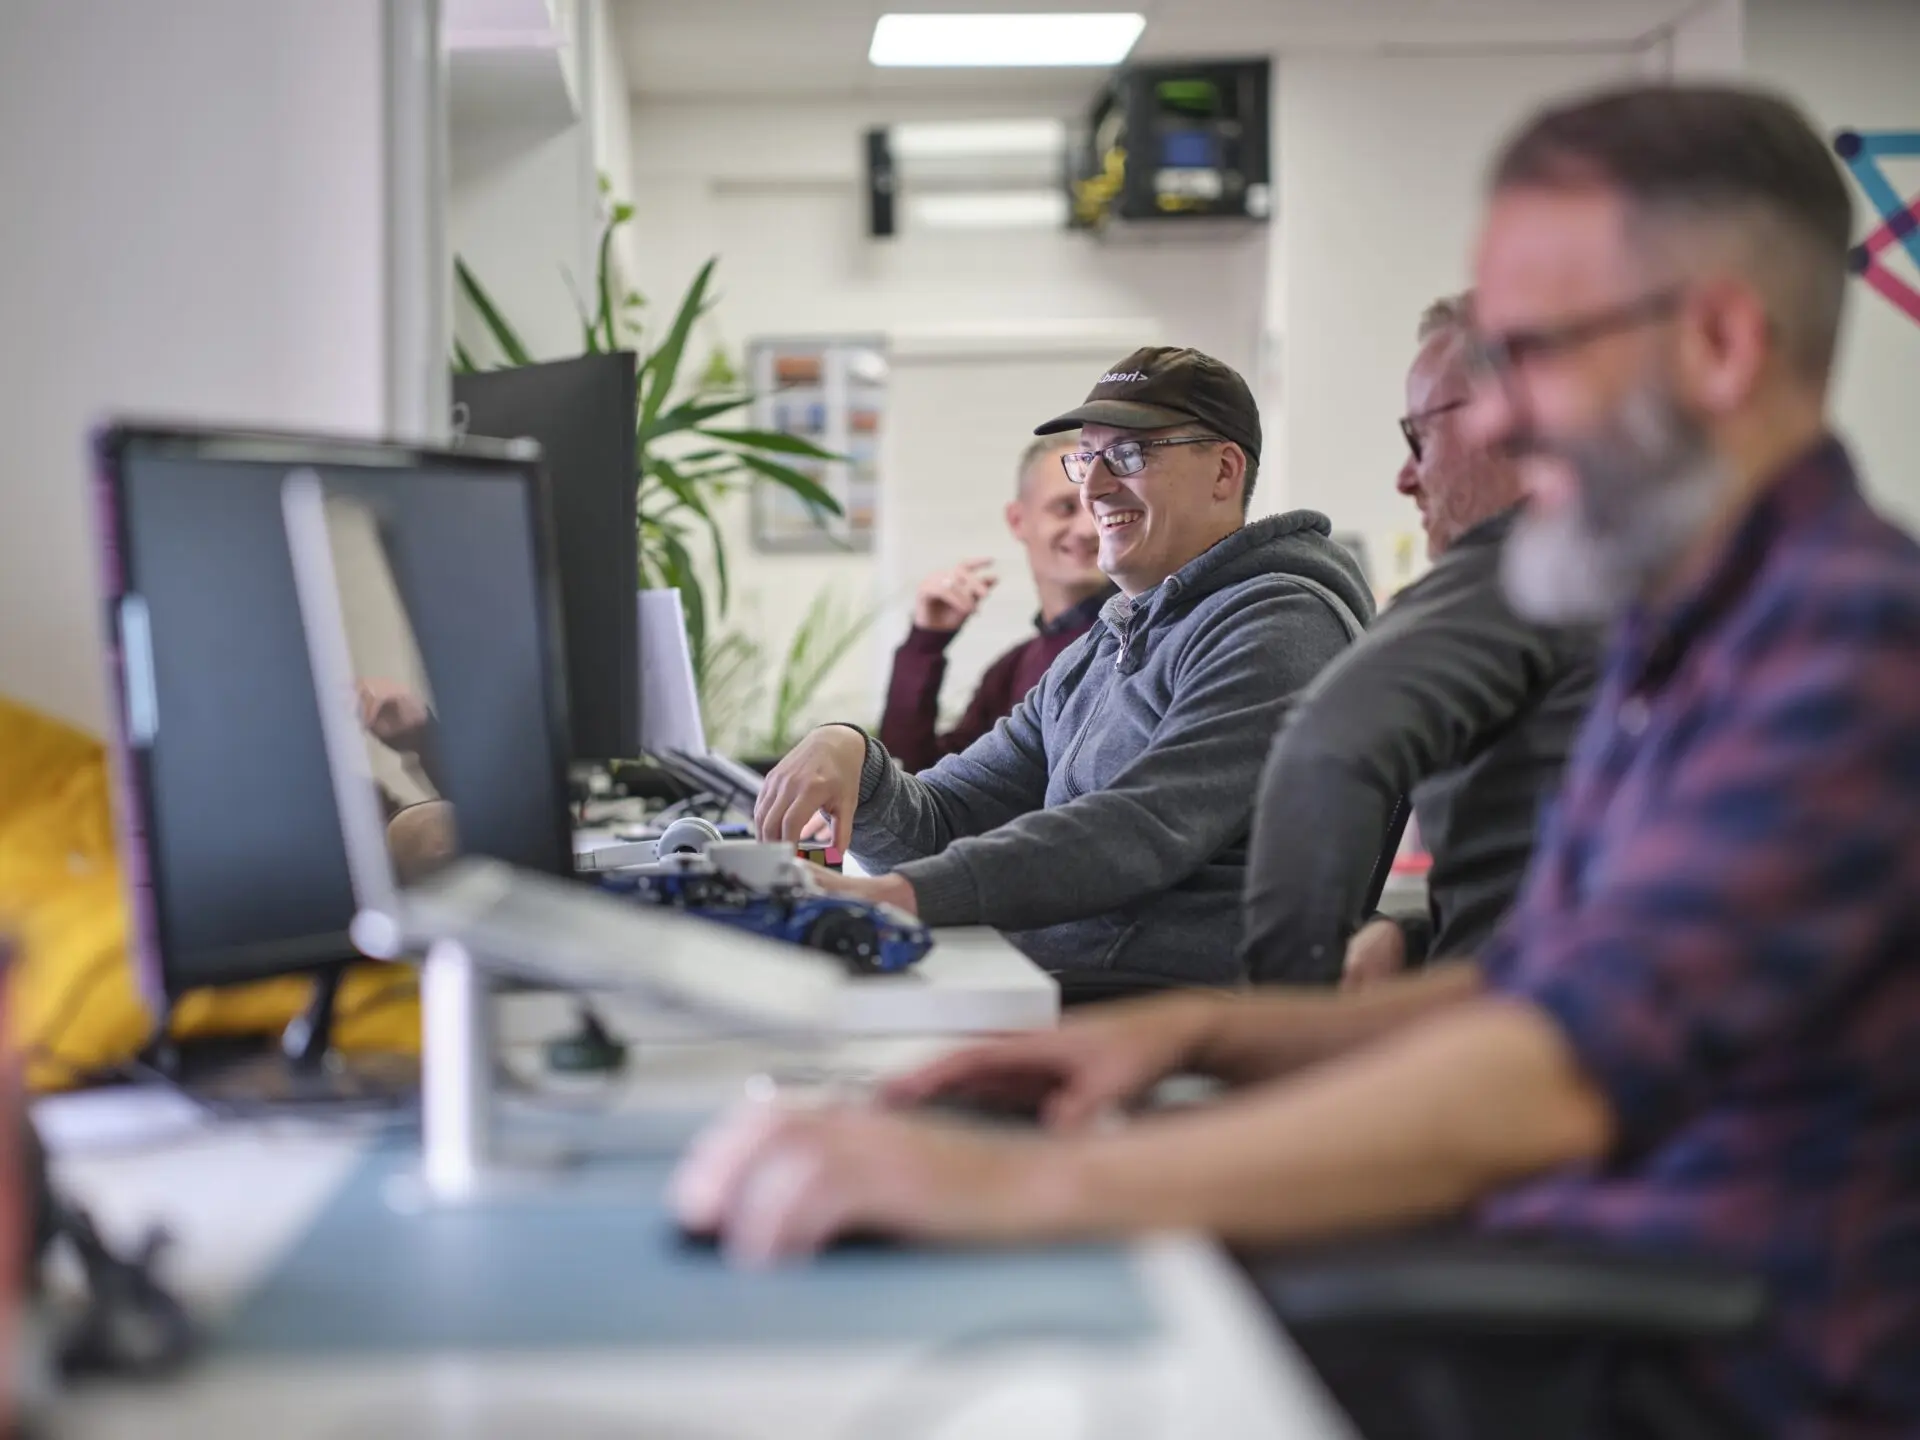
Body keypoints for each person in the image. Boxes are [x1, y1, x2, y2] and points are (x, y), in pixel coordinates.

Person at [679, 84, 1920, 1439]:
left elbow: (1548, 1075)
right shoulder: (1686, 636)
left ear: (1724, 345)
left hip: (1695, 1360)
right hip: (1562, 1266)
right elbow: (1520, 996)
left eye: (1535, 358)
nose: (1489, 429)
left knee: (1009, 1333)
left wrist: (1022, 1189)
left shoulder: (1848, 652)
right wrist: (1203, 1032)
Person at [755, 347, 1374, 984]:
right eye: (1089, 457)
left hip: (1171, 1024)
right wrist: (856, 763)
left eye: (1130, 455)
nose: (1094, 487)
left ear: (1223, 471)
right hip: (1055, 994)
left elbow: (1142, 829)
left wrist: (898, 896)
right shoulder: (1099, 651)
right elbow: (947, 820)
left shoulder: (1280, 625)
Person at [1240, 294, 1599, 986]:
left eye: (1419, 440)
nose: (1407, 477)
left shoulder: (1516, 573)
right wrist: (1417, 935)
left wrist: (1278, 1024)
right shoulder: (1644, 575)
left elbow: (1323, 752)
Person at [877, 434, 1111, 774]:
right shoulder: (1010, 670)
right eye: (1065, 508)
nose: (1088, 529)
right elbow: (915, 776)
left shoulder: (1143, 644)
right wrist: (925, 642)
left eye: (1100, 506)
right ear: (1017, 521)